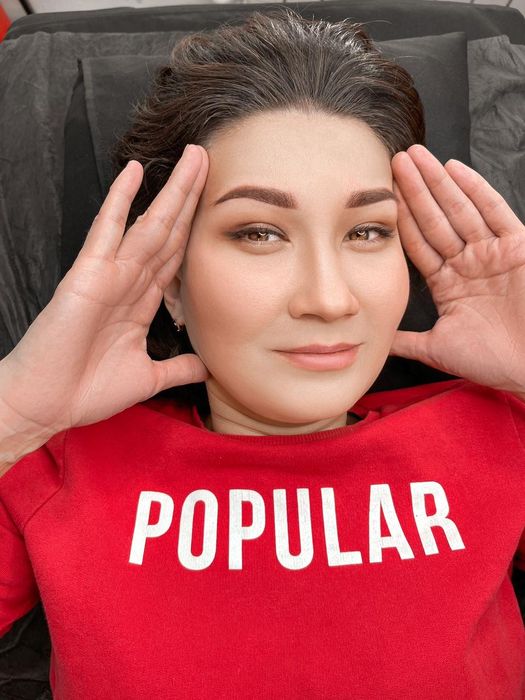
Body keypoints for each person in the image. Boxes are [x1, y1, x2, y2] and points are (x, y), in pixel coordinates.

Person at [0, 8, 524, 699]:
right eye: (258, 233)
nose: (329, 299)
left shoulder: (499, 427)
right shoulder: (51, 464)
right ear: (172, 280)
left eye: (367, 232)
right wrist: (13, 413)